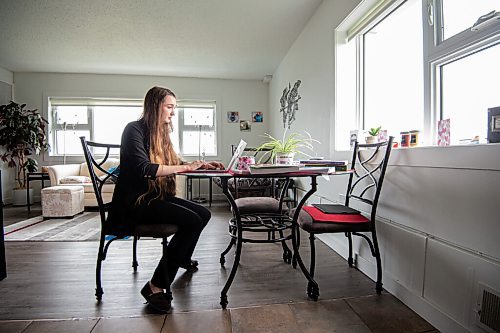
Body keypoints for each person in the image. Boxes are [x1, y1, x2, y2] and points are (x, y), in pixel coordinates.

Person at [108, 86, 224, 313]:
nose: (173, 113)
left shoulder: (161, 134)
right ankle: (155, 286)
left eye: (174, 108)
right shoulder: (133, 130)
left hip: (155, 197)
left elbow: (172, 160)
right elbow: (144, 168)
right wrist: (184, 167)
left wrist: (200, 165)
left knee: (204, 213)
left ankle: (180, 256)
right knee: (191, 221)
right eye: (169, 107)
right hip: (135, 203)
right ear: (154, 107)